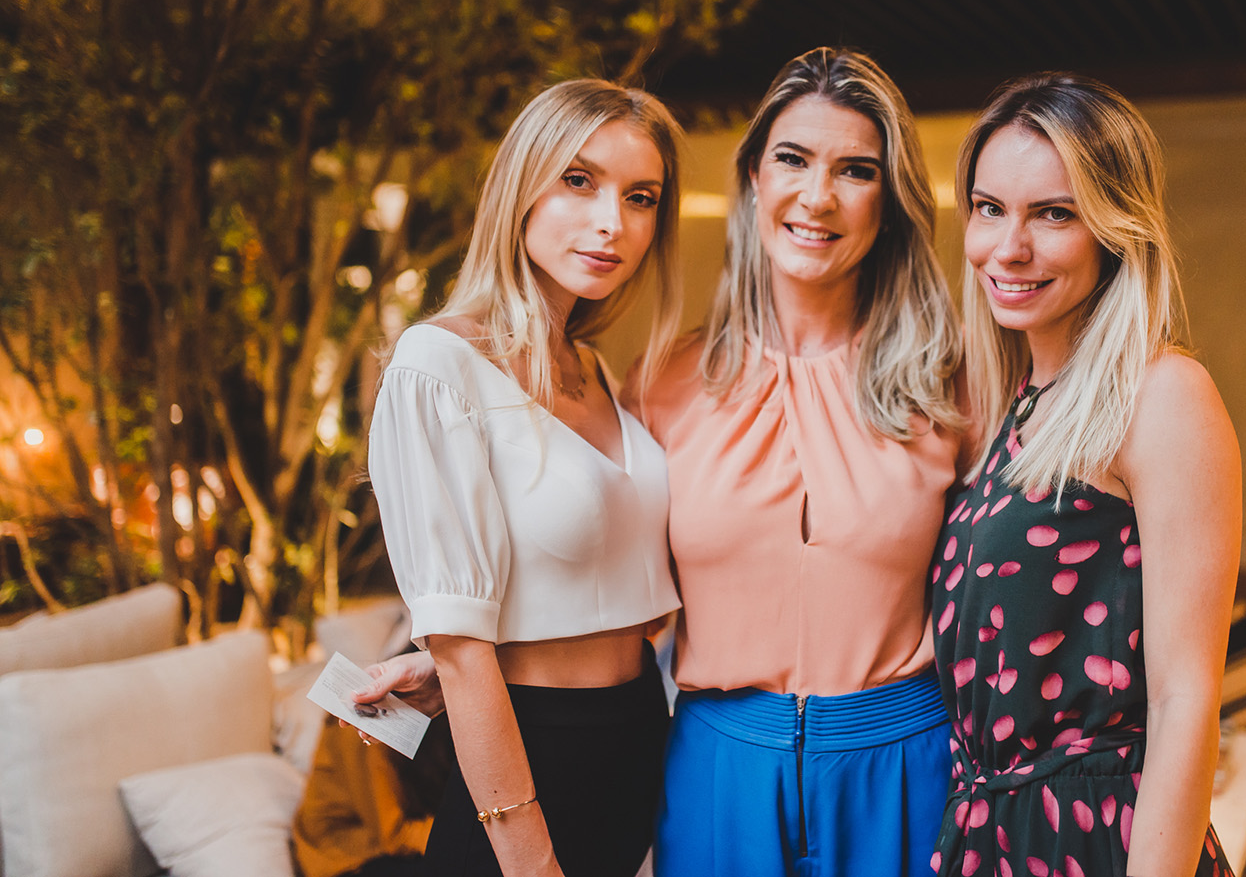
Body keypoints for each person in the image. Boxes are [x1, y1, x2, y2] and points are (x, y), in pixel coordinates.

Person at [633, 46, 965, 877]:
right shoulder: (665, 384)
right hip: (719, 768)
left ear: (888, 202)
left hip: (904, 767)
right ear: (752, 176)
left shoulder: (954, 385)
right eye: (793, 158)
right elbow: (605, 592)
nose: (818, 196)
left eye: (856, 170)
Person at [364, 78, 685, 877]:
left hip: (640, 739)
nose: (612, 221)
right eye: (579, 180)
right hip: (532, 758)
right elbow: (465, 647)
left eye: (640, 197)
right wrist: (531, 861)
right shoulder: (438, 366)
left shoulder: (598, 370)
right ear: (521, 187)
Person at [929, 73, 1240, 877]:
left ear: (1115, 230)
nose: (1010, 247)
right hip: (993, 838)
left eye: (1054, 214)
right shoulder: (1016, 404)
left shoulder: (1161, 392)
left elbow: (1185, 703)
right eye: (990, 209)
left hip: (1100, 841)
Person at [293, 713, 454, 877]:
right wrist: (460, 836)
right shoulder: (359, 727)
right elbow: (394, 834)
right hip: (347, 858)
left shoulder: (431, 712)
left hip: (392, 844)